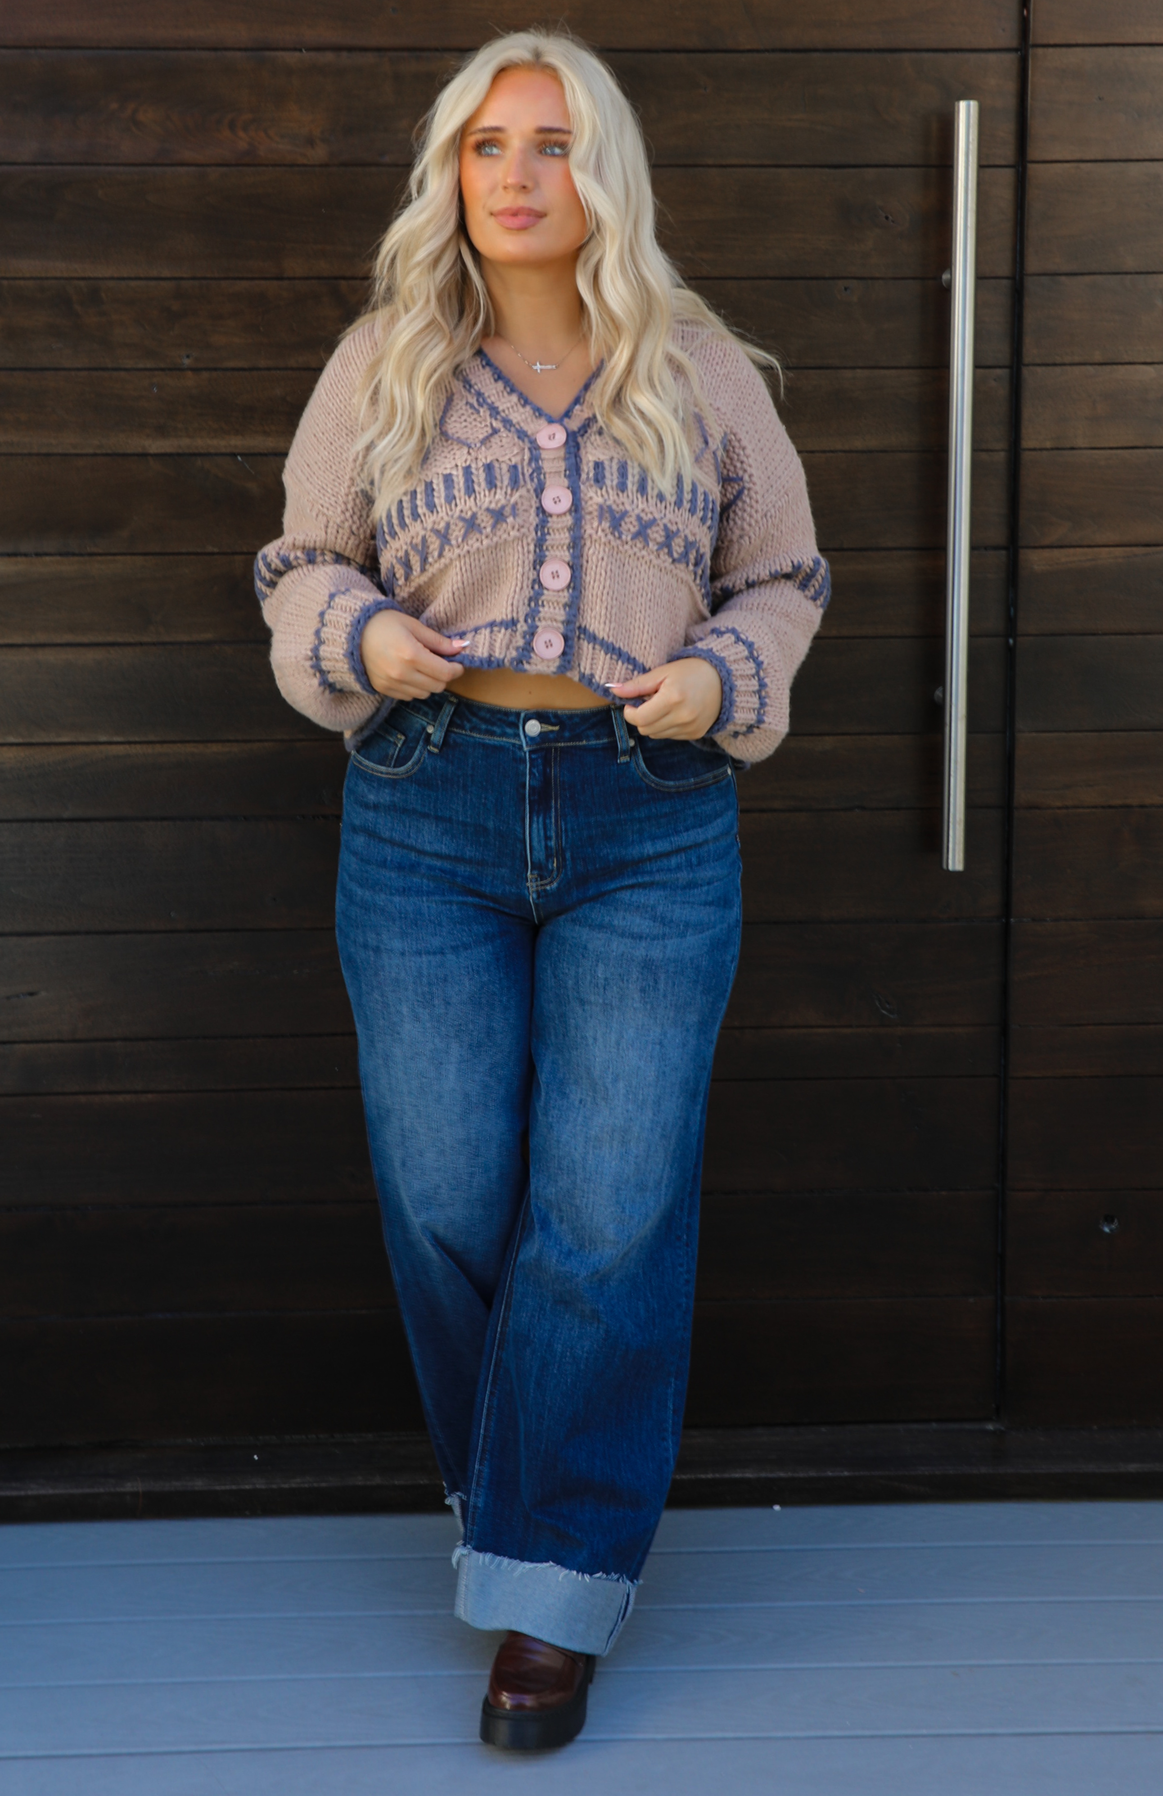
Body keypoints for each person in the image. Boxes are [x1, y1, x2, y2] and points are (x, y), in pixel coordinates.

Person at [255, 27, 829, 1752]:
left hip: (649, 813)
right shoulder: (387, 360)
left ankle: (551, 1595)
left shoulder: (705, 369)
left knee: (613, 1201)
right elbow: (301, 562)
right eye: (488, 143)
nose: (517, 174)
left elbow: (786, 573)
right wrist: (356, 636)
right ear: (451, 172)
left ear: (607, 177)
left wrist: (721, 677)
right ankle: (518, 1501)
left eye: (555, 144)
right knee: (444, 1192)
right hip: (427, 802)